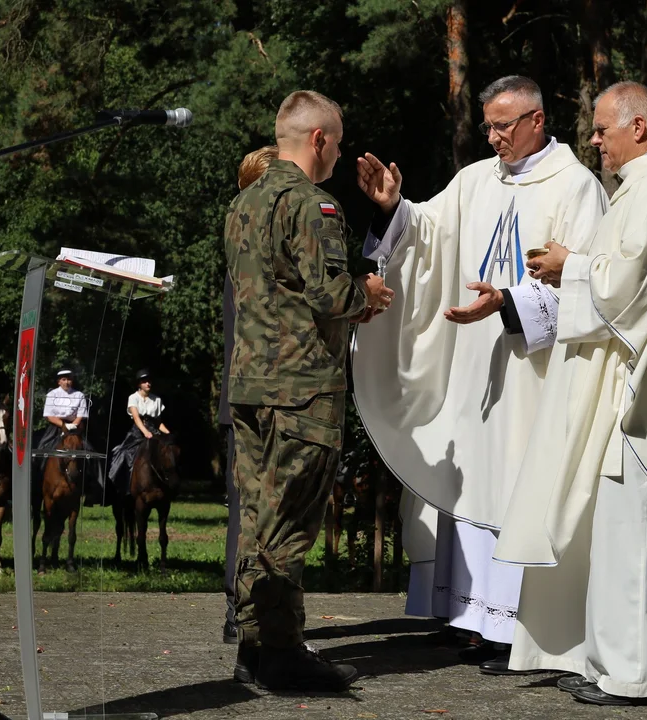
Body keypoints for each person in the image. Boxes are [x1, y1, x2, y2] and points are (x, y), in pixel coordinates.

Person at [492, 81, 647, 706]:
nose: (594, 140)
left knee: (630, 538)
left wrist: (566, 265)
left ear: (639, 128)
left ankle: (637, 675)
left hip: (639, 398)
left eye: (603, 129)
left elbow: (627, 289)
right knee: (621, 536)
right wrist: (579, 263)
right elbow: (634, 279)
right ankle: (618, 663)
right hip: (640, 386)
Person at [353, 75, 608, 672]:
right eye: (488, 125)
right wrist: (393, 208)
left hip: (534, 368)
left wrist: (511, 303)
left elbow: (592, 282)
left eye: (503, 125)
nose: (492, 136)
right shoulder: (473, 181)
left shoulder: (576, 188)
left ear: (537, 121)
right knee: (474, 476)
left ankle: (515, 626)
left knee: (518, 476)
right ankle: (468, 616)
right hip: (475, 366)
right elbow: (429, 235)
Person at [224, 90, 393, 691]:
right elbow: (329, 296)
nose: (340, 154)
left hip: (248, 386)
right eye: (339, 143)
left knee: (258, 517)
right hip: (300, 389)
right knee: (290, 521)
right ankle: (282, 654)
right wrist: (366, 296)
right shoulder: (314, 207)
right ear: (318, 139)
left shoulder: (242, 206)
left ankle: (254, 644)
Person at [221, 144, 280, 646]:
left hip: (245, 389)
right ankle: (245, 615)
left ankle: (246, 619)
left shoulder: (244, 242)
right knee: (253, 510)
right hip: (261, 390)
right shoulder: (256, 254)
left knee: (250, 509)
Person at [34, 368, 105, 503]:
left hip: (75, 427)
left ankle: (93, 487)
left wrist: (73, 425)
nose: (67, 382)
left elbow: (81, 415)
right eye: (64, 379)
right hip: (56, 427)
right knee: (42, 450)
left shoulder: (79, 395)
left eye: (69, 379)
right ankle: (37, 482)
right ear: (59, 381)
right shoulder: (52, 395)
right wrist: (63, 425)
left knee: (90, 452)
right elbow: (49, 415)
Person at [108, 369, 170, 496]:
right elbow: (136, 418)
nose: (148, 384)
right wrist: (145, 432)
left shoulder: (157, 399)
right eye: (144, 381)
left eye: (149, 381)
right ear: (139, 384)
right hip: (137, 432)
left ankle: (169, 485)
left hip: (154, 432)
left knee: (169, 453)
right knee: (123, 454)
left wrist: (168, 434)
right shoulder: (133, 397)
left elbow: (158, 422)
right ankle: (122, 486)